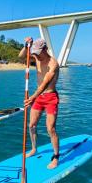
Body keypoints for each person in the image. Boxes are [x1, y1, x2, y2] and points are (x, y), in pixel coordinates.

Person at [19, 37, 60, 169]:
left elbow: (45, 83)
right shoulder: (36, 58)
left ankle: (56, 156)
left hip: (50, 97)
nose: (35, 55)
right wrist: (26, 46)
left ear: (45, 49)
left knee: (50, 129)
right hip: (38, 97)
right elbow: (21, 57)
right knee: (31, 125)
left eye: (37, 52)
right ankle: (34, 148)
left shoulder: (53, 63)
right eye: (34, 53)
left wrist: (32, 97)